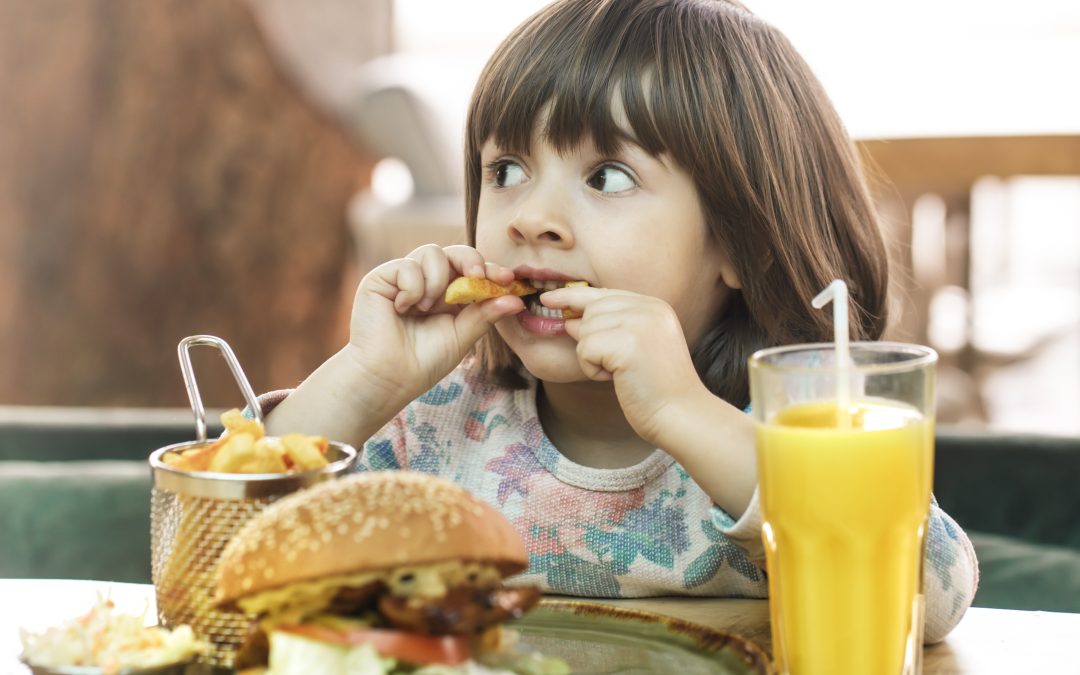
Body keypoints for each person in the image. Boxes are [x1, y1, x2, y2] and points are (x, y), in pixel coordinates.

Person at [263, 0, 977, 642]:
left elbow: (935, 590)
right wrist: (365, 379)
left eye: (607, 176)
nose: (532, 218)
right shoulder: (436, 428)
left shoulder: (796, 431)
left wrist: (682, 410)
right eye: (506, 169)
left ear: (738, 242)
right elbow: (223, 557)